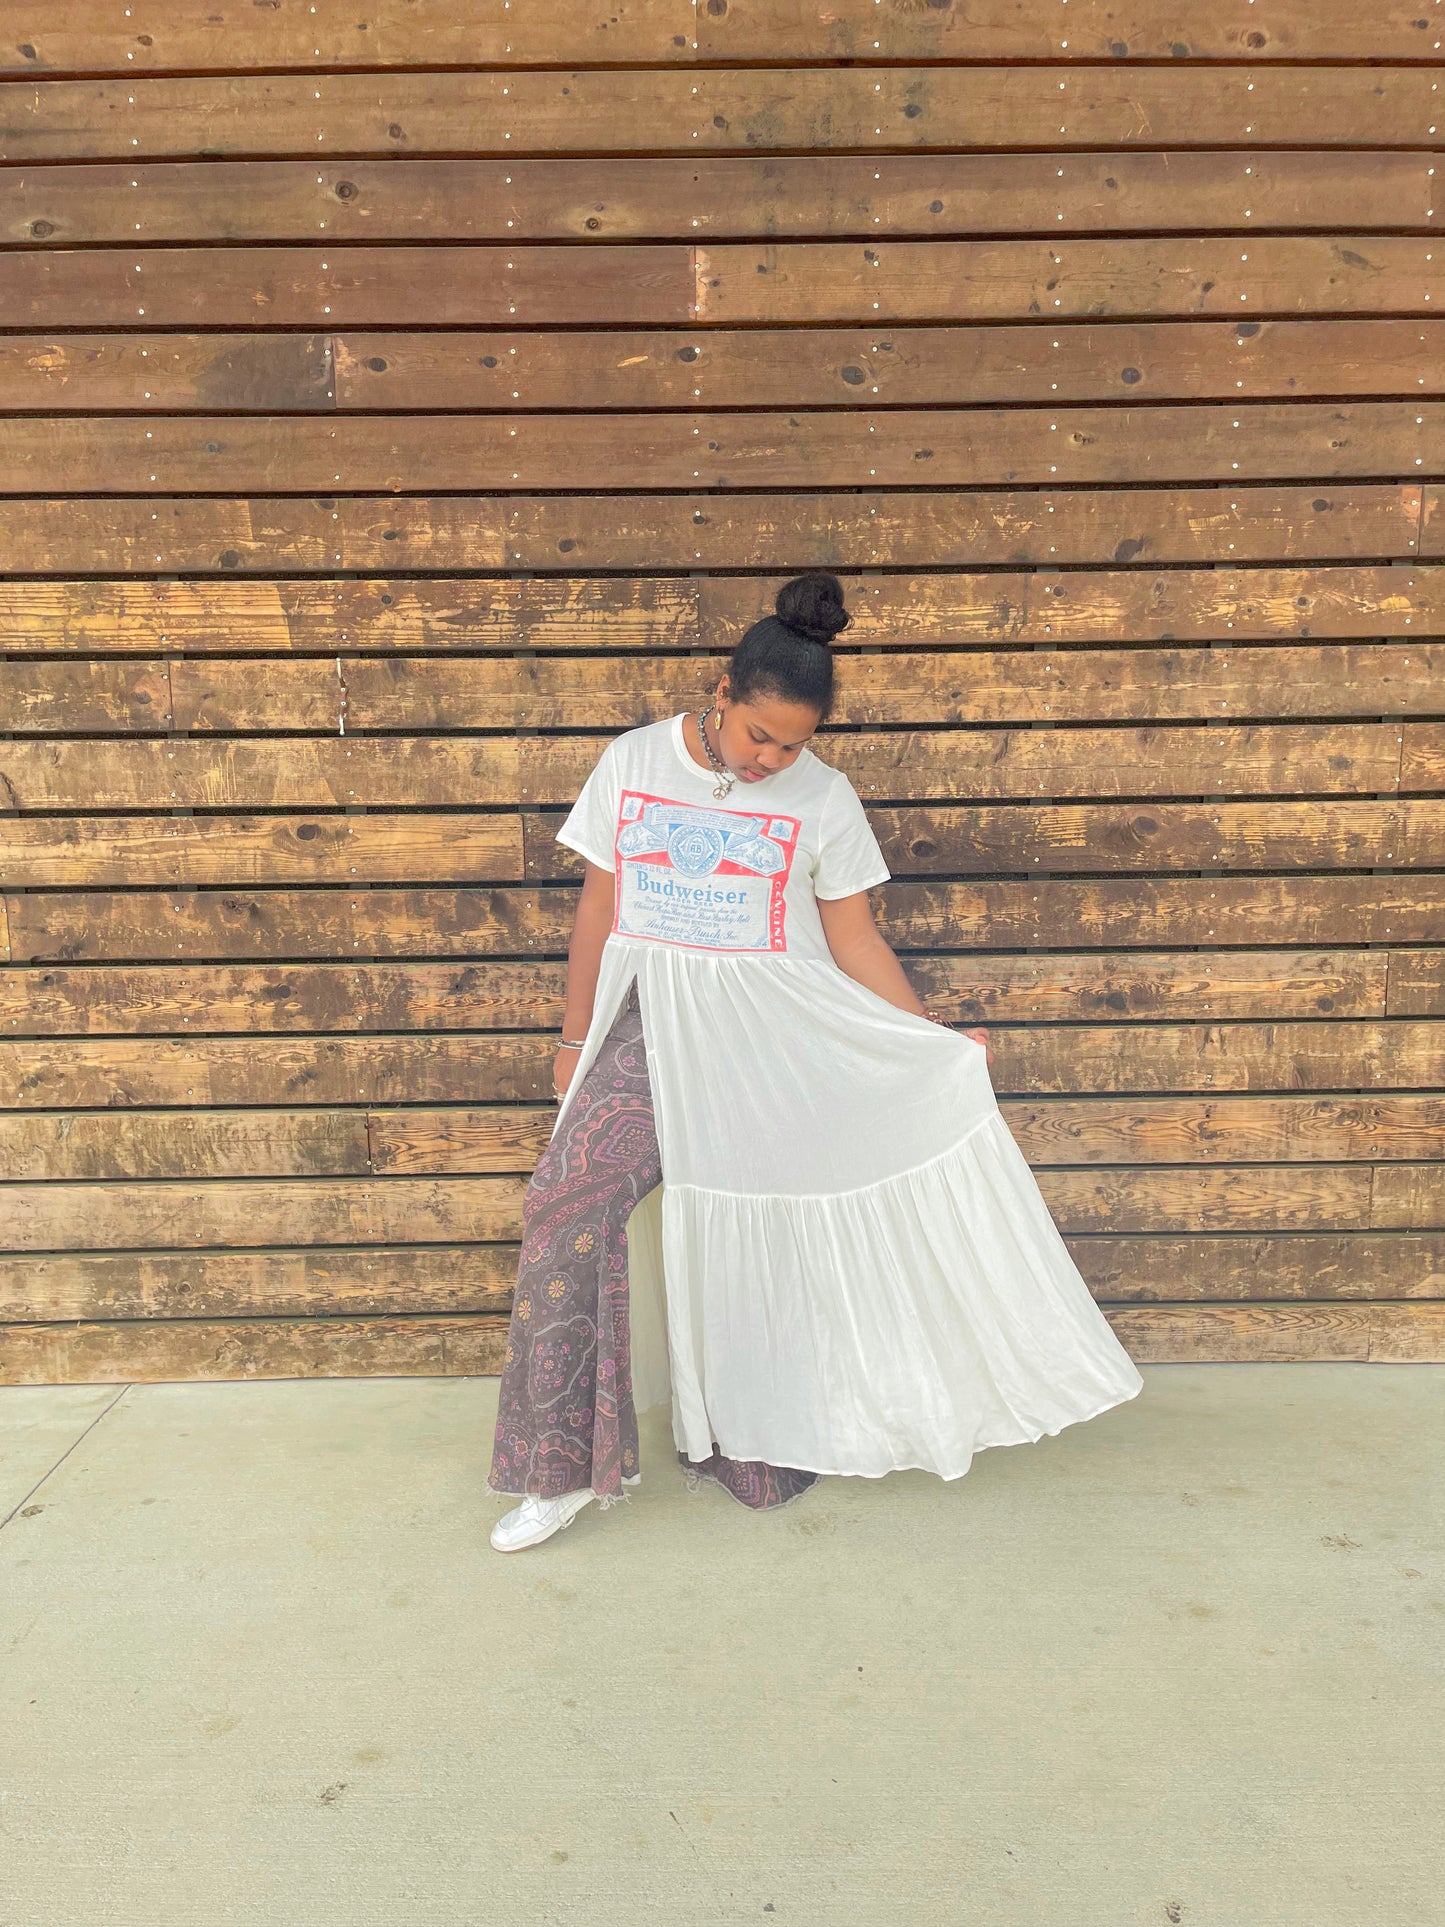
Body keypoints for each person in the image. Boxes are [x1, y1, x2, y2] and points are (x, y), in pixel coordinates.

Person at [487, 570, 1144, 1551]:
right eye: (759, 735)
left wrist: (927, 1040)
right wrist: (575, 1037)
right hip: (649, 1034)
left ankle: (742, 1427)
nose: (771, 759)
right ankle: (558, 1471)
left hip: (776, 1046)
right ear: (722, 693)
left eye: (791, 745)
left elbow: (855, 939)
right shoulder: (631, 762)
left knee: (750, 1230)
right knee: (562, 1208)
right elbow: (599, 907)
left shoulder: (825, 797)